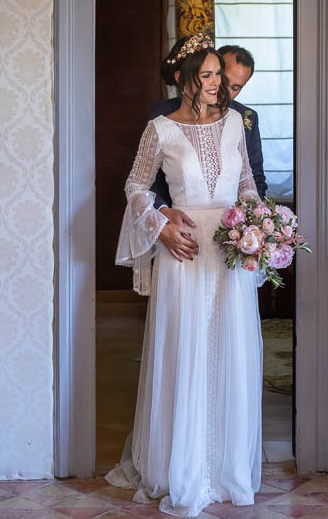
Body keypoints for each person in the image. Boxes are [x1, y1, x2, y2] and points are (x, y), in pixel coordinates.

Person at [108, 34, 263, 517]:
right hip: (185, 252)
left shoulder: (237, 124)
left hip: (231, 252)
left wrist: (263, 231)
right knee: (186, 353)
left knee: (230, 352)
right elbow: (135, 184)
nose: (218, 83)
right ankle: (183, 467)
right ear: (186, 78)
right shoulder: (161, 129)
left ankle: (225, 470)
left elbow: (247, 186)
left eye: (221, 74)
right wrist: (160, 223)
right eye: (209, 74)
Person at [149, 44, 267, 262]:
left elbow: (254, 179)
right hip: (181, 234)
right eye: (220, 76)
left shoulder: (244, 119)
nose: (223, 89)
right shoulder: (164, 115)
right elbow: (148, 182)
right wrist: (161, 222)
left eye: (236, 87)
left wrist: (248, 228)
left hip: (229, 238)